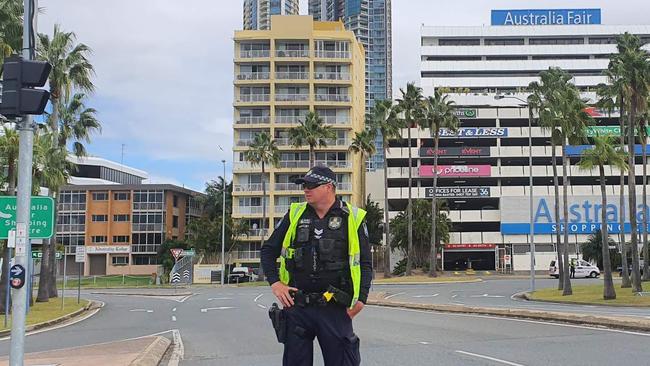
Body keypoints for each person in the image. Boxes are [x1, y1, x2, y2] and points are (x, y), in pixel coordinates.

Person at [261, 166, 372, 366]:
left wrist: (361, 299)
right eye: (304, 185)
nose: (306, 189)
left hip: (335, 307)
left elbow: (364, 263)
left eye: (311, 185)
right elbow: (268, 251)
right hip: (298, 307)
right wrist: (275, 283)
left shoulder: (352, 217)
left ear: (329, 187)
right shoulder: (295, 214)